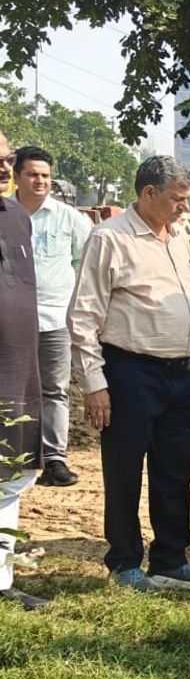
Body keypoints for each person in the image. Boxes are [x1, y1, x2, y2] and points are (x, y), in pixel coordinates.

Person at [68, 155, 190, 591]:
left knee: (176, 468)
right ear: (148, 193)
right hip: (129, 370)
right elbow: (83, 316)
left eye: (187, 200)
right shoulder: (110, 238)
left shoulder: (178, 237)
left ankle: (170, 558)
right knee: (125, 468)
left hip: (178, 372)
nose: (184, 208)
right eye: (177, 199)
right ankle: (124, 561)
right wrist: (95, 384)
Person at [13, 145, 92, 488]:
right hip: (10, 321)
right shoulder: (5, 214)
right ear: (17, 177)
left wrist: (74, 304)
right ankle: (13, 457)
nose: (39, 181)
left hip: (56, 318)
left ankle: (55, 459)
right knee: (11, 389)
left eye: (45, 175)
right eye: (32, 174)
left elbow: (85, 262)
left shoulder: (68, 218)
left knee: (55, 389)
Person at [0, 131, 47, 610]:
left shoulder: (15, 216)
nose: (4, 168)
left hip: (17, 368)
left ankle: (2, 581)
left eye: (6, 159)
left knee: (10, 472)